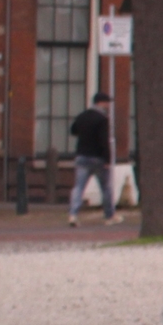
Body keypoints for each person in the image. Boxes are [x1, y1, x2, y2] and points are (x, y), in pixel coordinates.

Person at [68, 92, 115, 227]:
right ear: (102, 103)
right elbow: (104, 141)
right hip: (98, 158)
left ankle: (73, 214)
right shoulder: (102, 119)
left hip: (82, 156)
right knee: (106, 188)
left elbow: (73, 130)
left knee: (78, 187)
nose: (108, 105)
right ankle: (109, 216)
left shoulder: (82, 116)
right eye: (107, 102)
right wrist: (107, 159)